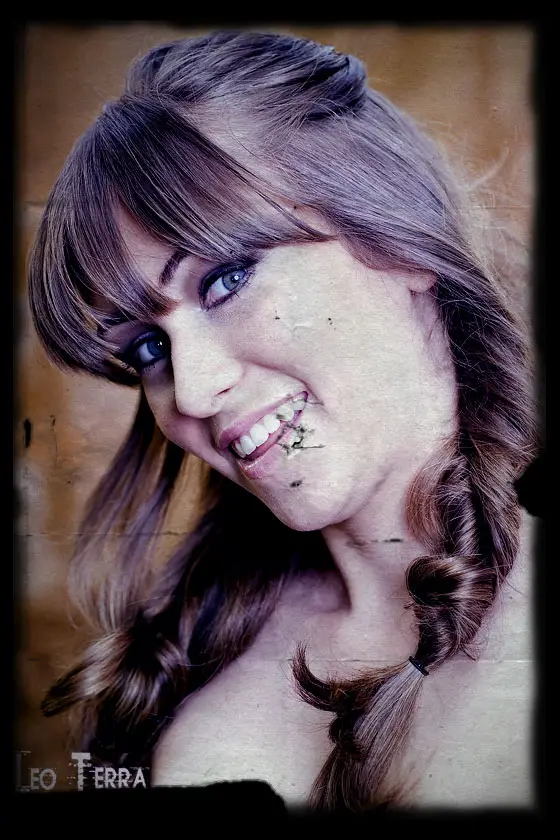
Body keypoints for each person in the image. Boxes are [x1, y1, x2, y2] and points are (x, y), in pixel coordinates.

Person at [27, 30, 537, 813]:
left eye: (226, 280)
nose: (194, 393)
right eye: (149, 348)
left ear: (396, 236)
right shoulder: (193, 646)